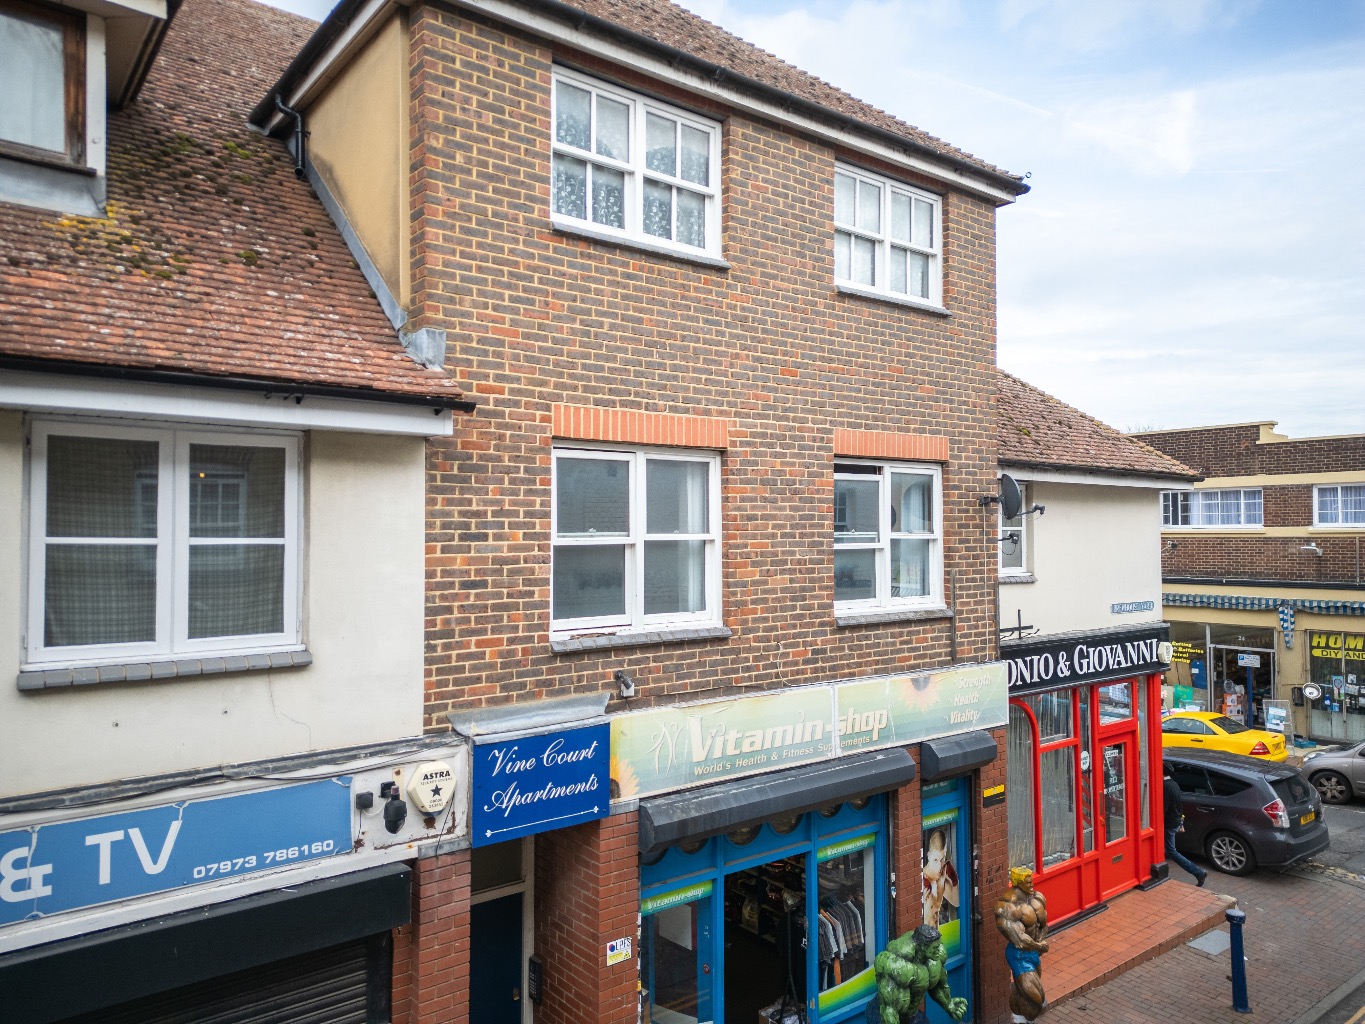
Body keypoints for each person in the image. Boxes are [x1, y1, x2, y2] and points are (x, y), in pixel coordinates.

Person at [869, 923, 967, 1024]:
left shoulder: (933, 961)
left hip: (911, 1016)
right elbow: (889, 1011)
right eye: (935, 948)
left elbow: (937, 986)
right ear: (924, 947)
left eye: (939, 946)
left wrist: (948, 1004)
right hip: (884, 1016)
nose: (939, 950)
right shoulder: (901, 969)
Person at [993, 867, 1048, 1023]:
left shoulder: (1037, 898)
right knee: (1037, 1001)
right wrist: (1040, 946)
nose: (1031, 885)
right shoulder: (1007, 906)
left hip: (1034, 954)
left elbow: (1043, 922)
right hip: (1018, 955)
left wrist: (1040, 943)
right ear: (1017, 883)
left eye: (1031, 881)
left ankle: (1018, 1019)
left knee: (1023, 995)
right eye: (1027, 882)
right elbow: (1019, 938)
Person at [1163, 769, 1209, 887]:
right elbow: (1178, 805)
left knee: (1171, 851)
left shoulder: (1165, 787)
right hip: (1175, 821)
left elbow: (1164, 808)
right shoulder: (1174, 784)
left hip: (1169, 823)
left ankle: (1198, 872)